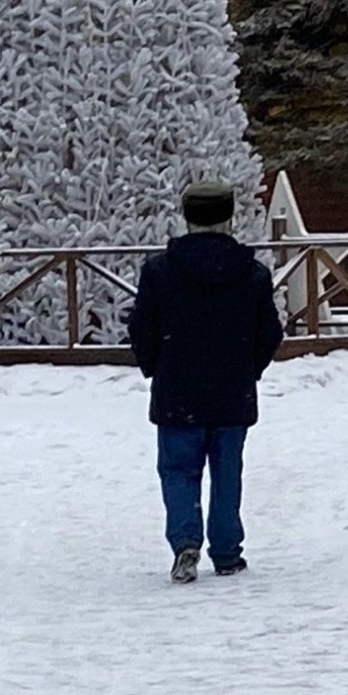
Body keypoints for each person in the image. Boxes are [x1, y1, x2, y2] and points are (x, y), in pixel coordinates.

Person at [127, 180, 284, 583]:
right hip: (232, 388)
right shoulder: (252, 274)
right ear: (230, 216)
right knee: (227, 471)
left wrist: (155, 367)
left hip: (178, 387)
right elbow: (270, 332)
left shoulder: (159, 271)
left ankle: (185, 542)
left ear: (187, 216)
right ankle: (228, 552)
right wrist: (250, 369)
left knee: (178, 470)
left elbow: (141, 328)